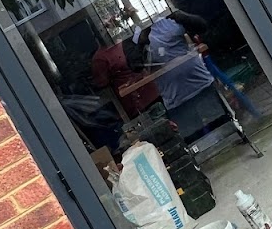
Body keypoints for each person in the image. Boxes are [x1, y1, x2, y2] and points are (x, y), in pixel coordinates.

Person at [135, 11, 226, 142]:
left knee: (224, 126)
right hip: (176, 99)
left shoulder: (171, 20)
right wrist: (143, 40)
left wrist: (183, 17)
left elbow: (202, 27)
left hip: (202, 86)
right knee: (195, 139)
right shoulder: (136, 36)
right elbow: (135, 65)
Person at [90, 39, 161, 119]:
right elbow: (103, 85)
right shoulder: (99, 58)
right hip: (135, 102)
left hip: (152, 92)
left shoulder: (125, 42)